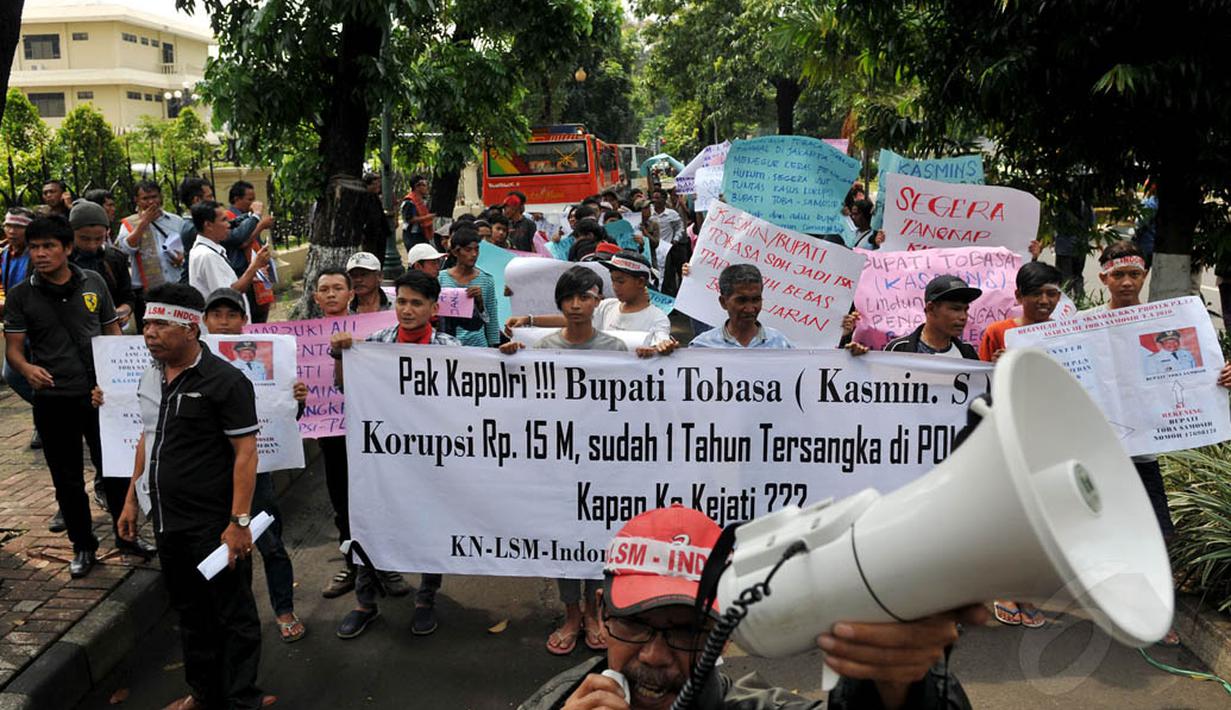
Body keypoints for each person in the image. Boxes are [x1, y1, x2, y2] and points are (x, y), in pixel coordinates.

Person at [521, 504, 982, 710]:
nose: (655, 655)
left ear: (720, 631)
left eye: (686, 632)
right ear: (602, 614)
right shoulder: (558, 703)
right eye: (637, 625)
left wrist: (902, 686)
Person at [115, 283, 270, 710]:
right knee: (190, 614)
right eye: (146, 323)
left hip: (215, 525)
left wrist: (238, 522)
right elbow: (147, 438)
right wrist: (132, 498)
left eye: (160, 324)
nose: (149, 332)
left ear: (189, 328)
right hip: (168, 522)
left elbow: (246, 452)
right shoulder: (150, 375)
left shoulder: (226, 381)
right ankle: (204, 693)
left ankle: (242, 700)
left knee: (233, 614)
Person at [2, 216, 149, 576]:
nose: (40, 254)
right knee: (66, 478)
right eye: (35, 247)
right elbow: (14, 350)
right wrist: (26, 370)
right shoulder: (21, 295)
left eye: (49, 246)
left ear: (67, 248)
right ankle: (83, 546)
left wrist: (117, 380)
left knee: (114, 472)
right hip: (53, 400)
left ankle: (126, 535)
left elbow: (111, 330)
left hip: (100, 398)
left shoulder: (94, 282)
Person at [501, 267, 627, 654]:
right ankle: (572, 613)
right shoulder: (541, 350)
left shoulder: (617, 350)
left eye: (585, 297)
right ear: (559, 302)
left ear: (597, 302)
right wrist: (509, 362)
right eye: (569, 298)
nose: (576, 305)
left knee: (597, 539)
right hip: (558, 465)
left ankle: (595, 610)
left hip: (603, 464)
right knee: (563, 540)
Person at [330, 269, 460, 638]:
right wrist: (341, 355)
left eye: (416, 303)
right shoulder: (375, 343)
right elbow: (344, 386)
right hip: (382, 460)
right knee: (372, 525)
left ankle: (426, 598)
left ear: (433, 308)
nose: (407, 310)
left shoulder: (450, 351)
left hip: (430, 459)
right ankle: (364, 603)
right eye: (401, 301)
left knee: (430, 526)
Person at [201, 287, 308, 644]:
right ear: (204, 320)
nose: (224, 322)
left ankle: (283, 608)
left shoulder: (269, 357)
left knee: (269, 542)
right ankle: (239, 616)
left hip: (256, 469)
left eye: (232, 315)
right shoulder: (191, 360)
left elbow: (284, 416)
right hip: (212, 471)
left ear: (244, 321)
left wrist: (298, 401)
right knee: (224, 548)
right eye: (217, 314)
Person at [976, 262, 1064, 629]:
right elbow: (973, 384)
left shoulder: (1068, 335)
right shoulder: (999, 332)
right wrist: (996, 368)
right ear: (1019, 297)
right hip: (1006, 438)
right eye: (1036, 294)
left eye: (1052, 294)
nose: (1045, 301)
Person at [506, 251, 675, 356]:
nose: (615, 287)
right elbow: (572, 319)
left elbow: (661, 344)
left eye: (621, 281)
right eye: (613, 281)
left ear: (640, 282)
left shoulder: (657, 318)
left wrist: (660, 348)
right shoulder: (608, 306)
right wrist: (529, 320)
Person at [116, 180, 186, 327]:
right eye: (145, 199)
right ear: (136, 200)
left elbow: (186, 249)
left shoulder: (176, 221)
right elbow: (126, 249)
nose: (151, 202)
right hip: (146, 291)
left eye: (154, 197)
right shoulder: (129, 224)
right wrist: (143, 223)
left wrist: (182, 258)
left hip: (175, 285)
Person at [188, 201, 272, 315]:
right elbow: (228, 295)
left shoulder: (210, 250)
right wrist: (254, 266)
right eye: (223, 220)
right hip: (224, 327)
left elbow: (227, 284)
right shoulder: (208, 256)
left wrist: (252, 276)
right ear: (208, 225)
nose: (228, 225)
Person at [1, 208, 39, 450]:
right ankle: (50, 414)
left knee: (37, 375)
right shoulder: (4, 255)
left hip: (36, 325)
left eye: (18, 227)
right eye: (8, 225)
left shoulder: (36, 256)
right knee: (13, 373)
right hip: (14, 325)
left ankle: (45, 423)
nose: (12, 231)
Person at [690, 264, 794, 350]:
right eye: (741, 300)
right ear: (723, 302)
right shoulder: (702, 346)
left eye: (756, 300)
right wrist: (674, 358)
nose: (750, 309)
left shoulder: (781, 344)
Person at [69, 199, 135, 328]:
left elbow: (127, 297)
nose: (92, 245)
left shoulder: (115, 258)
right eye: (84, 238)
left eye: (99, 238)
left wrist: (123, 311)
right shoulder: (60, 260)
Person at [883, 276, 981, 359]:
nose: (963, 317)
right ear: (931, 308)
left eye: (966, 310)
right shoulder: (898, 350)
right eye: (955, 309)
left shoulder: (968, 354)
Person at [438, 229, 499, 347]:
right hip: (448, 346)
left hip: (478, 347)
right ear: (456, 252)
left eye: (477, 249)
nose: (474, 254)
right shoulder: (440, 278)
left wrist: (494, 347)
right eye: (468, 250)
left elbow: (492, 318)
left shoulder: (487, 280)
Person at [399, 174, 435, 251]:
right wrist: (427, 217)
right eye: (424, 185)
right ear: (417, 187)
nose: (426, 188)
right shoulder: (409, 201)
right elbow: (409, 219)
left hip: (423, 233)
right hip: (412, 235)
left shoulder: (423, 200)